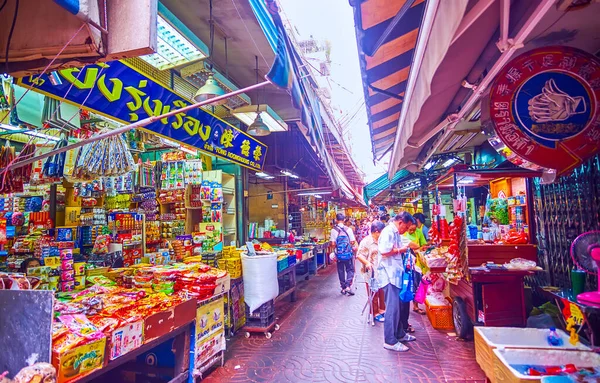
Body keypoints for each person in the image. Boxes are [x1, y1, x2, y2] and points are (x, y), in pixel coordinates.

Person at [377, 212, 419, 352]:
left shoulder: (395, 233)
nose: (406, 230)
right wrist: (400, 250)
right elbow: (384, 251)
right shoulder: (388, 232)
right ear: (400, 222)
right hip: (388, 275)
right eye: (406, 227)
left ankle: (400, 333)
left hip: (395, 274)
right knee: (392, 308)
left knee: (398, 307)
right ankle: (390, 340)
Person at [357, 220, 386, 322]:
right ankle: (375, 313)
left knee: (382, 292)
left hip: (382, 272)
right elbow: (359, 255)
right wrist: (367, 263)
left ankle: (382, 310)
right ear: (376, 231)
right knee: (373, 293)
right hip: (371, 273)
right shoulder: (366, 241)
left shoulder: (382, 240)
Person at [403, 223, 428, 317]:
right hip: (408, 263)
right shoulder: (404, 234)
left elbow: (423, 245)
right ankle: (410, 305)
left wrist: (420, 248)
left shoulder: (419, 232)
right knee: (410, 284)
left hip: (418, 263)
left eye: (414, 230)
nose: (412, 231)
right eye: (410, 230)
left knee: (417, 283)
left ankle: (416, 305)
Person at [330, 213, 357, 296]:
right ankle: (348, 286)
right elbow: (352, 241)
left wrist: (337, 248)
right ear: (344, 220)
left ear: (336, 220)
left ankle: (343, 288)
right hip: (348, 253)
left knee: (340, 270)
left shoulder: (333, 230)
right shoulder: (348, 229)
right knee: (350, 269)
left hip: (339, 254)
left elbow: (333, 243)